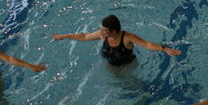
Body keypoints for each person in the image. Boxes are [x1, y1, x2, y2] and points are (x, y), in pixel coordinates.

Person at [52, 14, 181, 66]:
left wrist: (164, 49)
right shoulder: (103, 34)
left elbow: (146, 44)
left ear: (114, 31)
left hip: (127, 66)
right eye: (102, 29)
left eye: (105, 30)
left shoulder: (127, 37)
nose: (101, 32)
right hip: (110, 64)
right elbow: (84, 36)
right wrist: (64, 36)